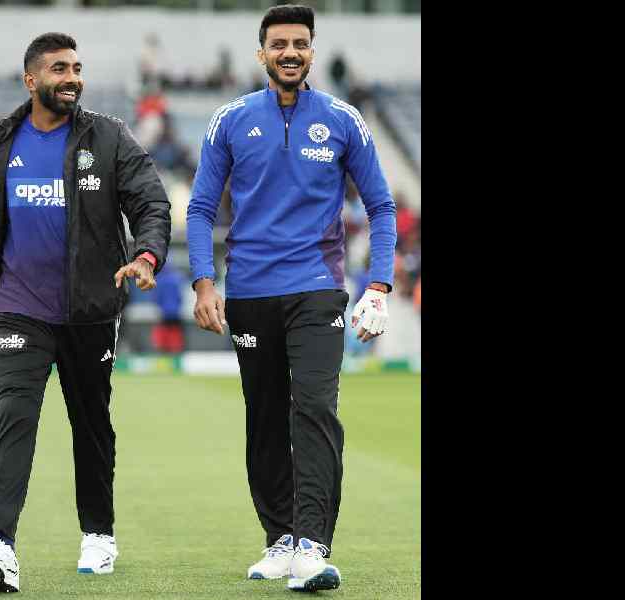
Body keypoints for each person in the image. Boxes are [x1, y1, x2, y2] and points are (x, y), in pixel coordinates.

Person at [0, 32, 171, 593]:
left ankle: (98, 531)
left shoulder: (110, 136)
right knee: (14, 418)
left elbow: (151, 201)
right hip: (19, 309)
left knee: (91, 424)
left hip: (90, 309)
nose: (72, 77)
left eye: (77, 67)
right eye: (59, 69)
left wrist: (146, 254)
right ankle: (1, 544)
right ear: (31, 80)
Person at [186, 5, 396, 593]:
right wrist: (204, 282)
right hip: (249, 293)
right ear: (261, 54)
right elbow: (201, 209)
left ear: (311, 51)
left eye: (300, 43)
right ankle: (278, 540)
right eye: (278, 43)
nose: (290, 53)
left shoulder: (342, 119)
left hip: (317, 289)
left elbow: (381, 206)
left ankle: (312, 544)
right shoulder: (230, 120)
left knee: (315, 408)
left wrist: (378, 283)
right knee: (264, 419)